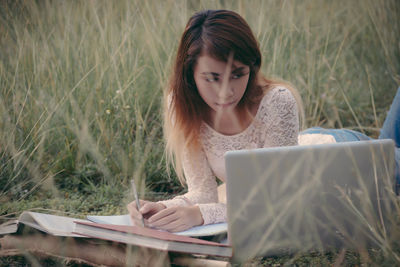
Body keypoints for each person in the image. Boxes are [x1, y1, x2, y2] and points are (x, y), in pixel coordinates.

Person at [127, 9, 400, 232]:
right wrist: (163, 209)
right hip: (306, 149)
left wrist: (200, 215)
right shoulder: (182, 106)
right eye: (212, 78)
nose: (226, 92)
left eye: (238, 74)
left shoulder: (276, 101)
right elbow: (203, 195)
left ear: (252, 67)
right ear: (189, 75)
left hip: (340, 153)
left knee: (392, 159)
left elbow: (276, 203)